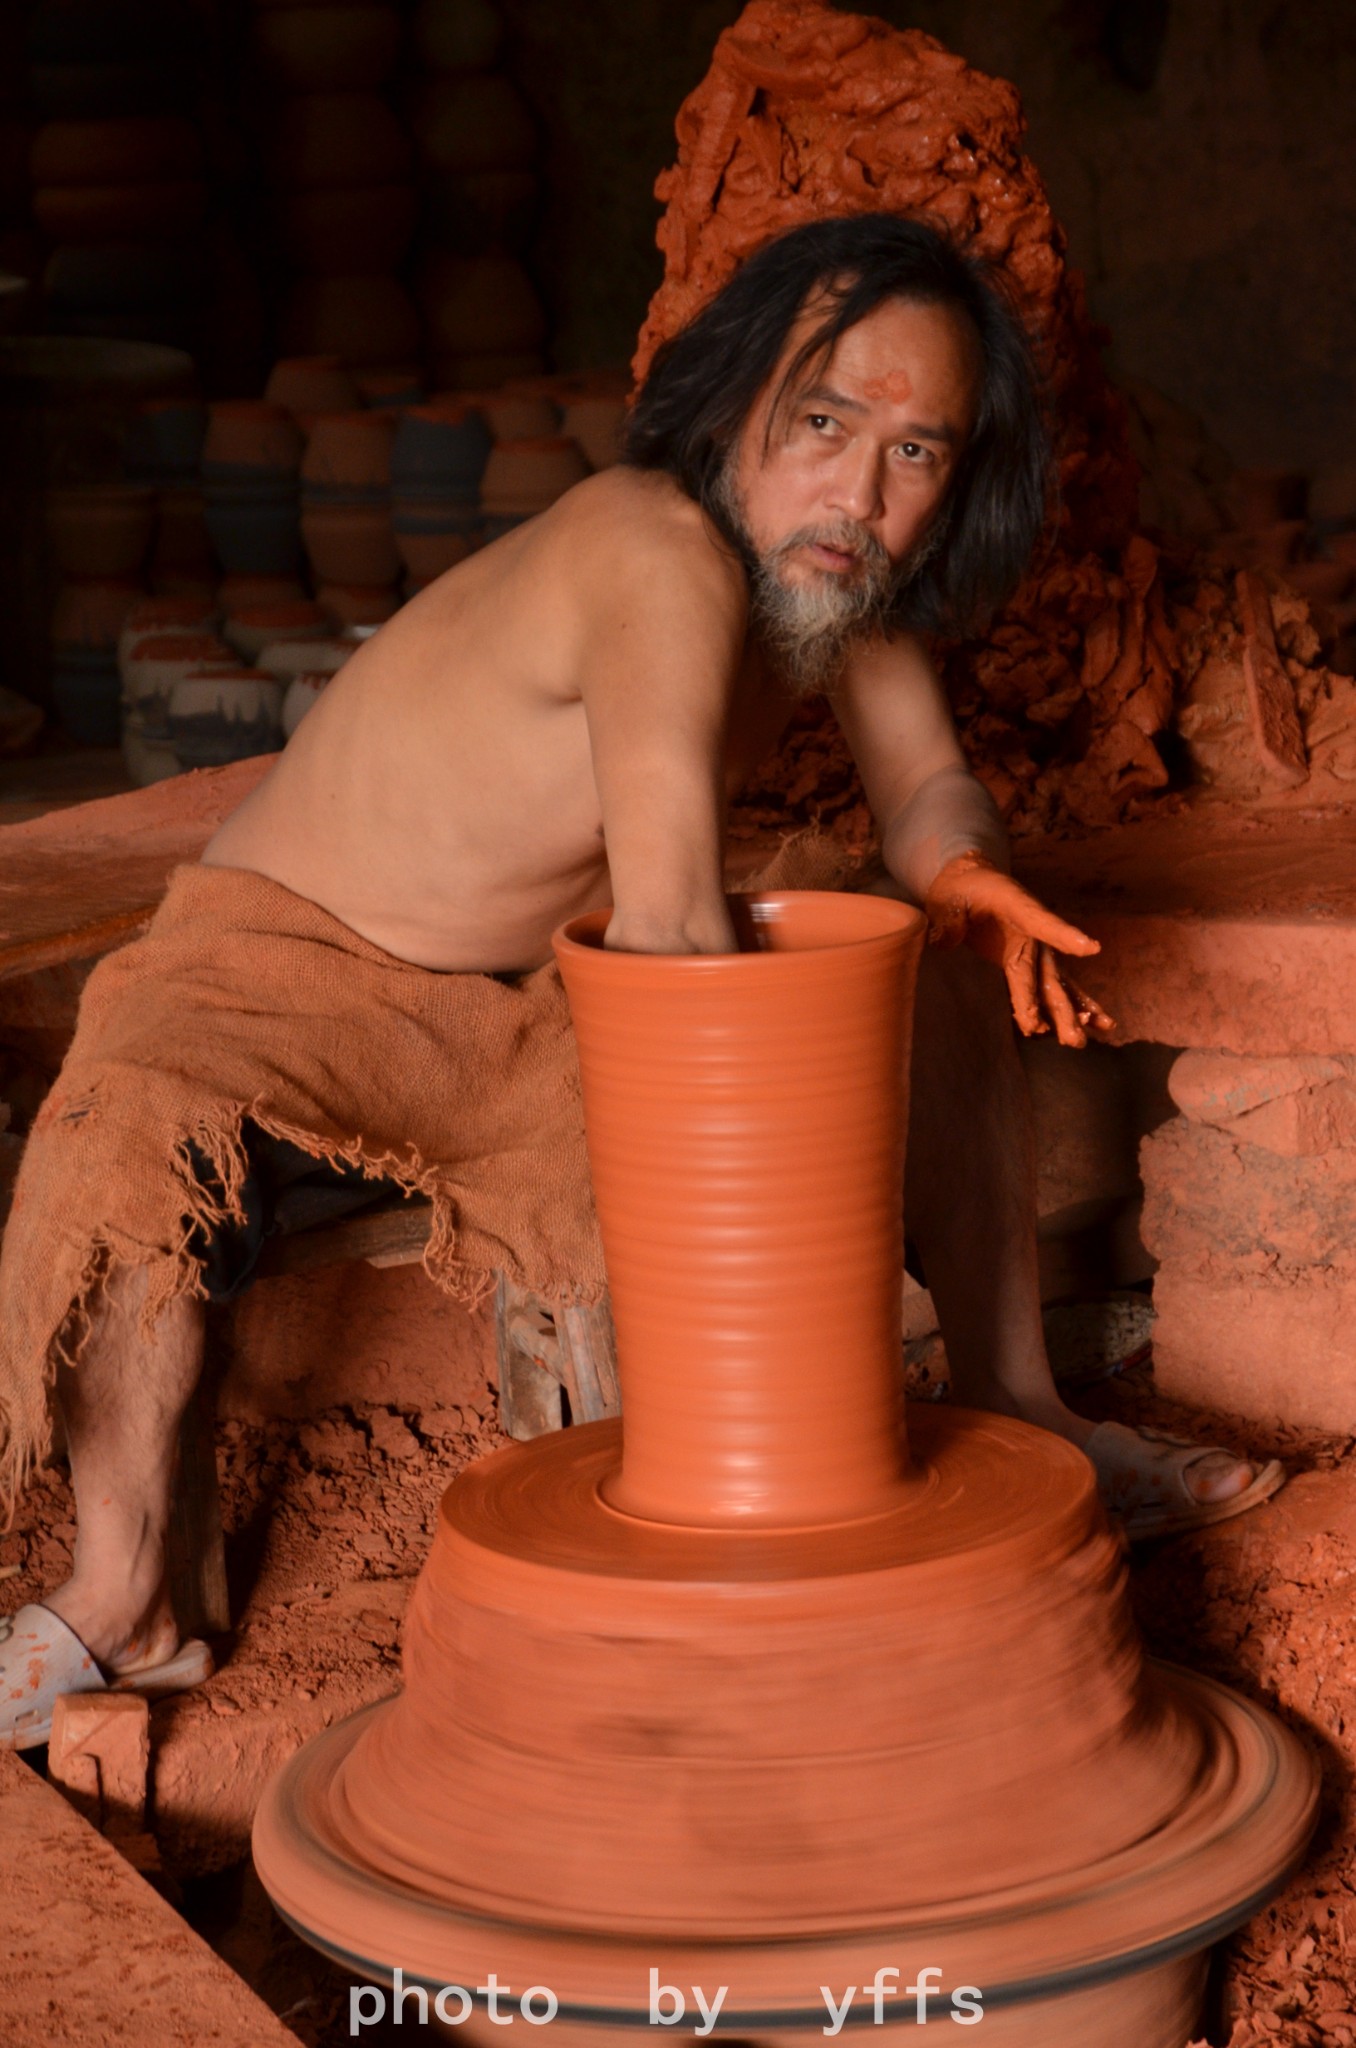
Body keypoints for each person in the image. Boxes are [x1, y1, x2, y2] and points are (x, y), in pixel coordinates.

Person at [0, 214, 1281, 1747]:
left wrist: (960, 874)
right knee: (134, 1138)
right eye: (824, 426)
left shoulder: (835, 582)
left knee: (921, 954)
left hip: (528, 990)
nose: (860, 492)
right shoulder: (652, 545)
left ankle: (1020, 1411)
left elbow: (926, 783)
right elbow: (674, 938)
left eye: (915, 454)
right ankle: (125, 1598)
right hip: (288, 968)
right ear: (736, 403)